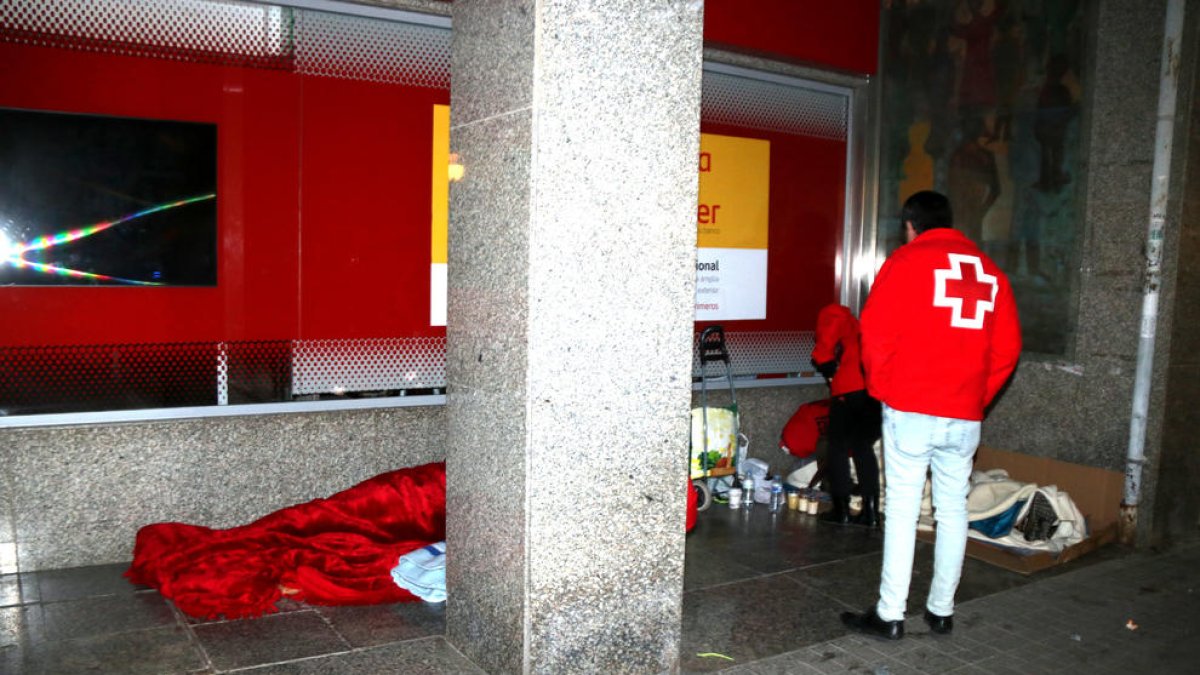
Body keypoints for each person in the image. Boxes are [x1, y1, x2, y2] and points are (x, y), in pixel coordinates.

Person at [842, 190, 1021, 640]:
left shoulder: (904, 263)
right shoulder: (990, 273)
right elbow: (1008, 349)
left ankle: (891, 614)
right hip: (964, 412)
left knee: (902, 509)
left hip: (912, 407)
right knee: (953, 507)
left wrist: (885, 390)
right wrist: (976, 397)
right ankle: (941, 610)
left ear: (910, 224)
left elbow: (875, 335)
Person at [810, 303, 881, 527]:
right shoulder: (862, 328)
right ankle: (870, 513)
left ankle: (841, 510)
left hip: (849, 391)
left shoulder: (835, 314)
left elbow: (825, 346)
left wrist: (829, 369)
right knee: (862, 448)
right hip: (874, 390)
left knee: (837, 448)